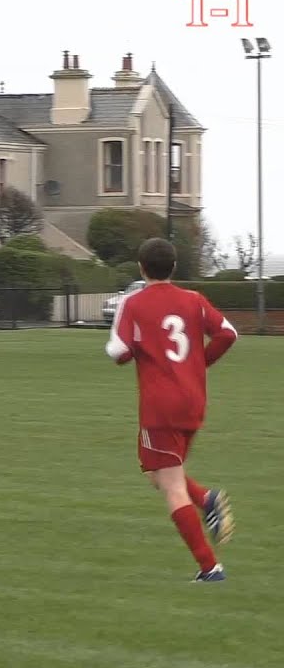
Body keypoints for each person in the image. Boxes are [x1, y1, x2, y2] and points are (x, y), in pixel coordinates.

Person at [106, 237, 238, 582]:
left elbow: (118, 352)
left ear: (140, 267)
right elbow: (228, 334)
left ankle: (210, 568)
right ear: (174, 268)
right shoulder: (194, 300)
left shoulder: (133, 303)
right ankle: (206, 500)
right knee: (158, 475)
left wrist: (136, 346)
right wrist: (197, 364)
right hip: (193, 401)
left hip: (160, 406)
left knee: (171, 485)